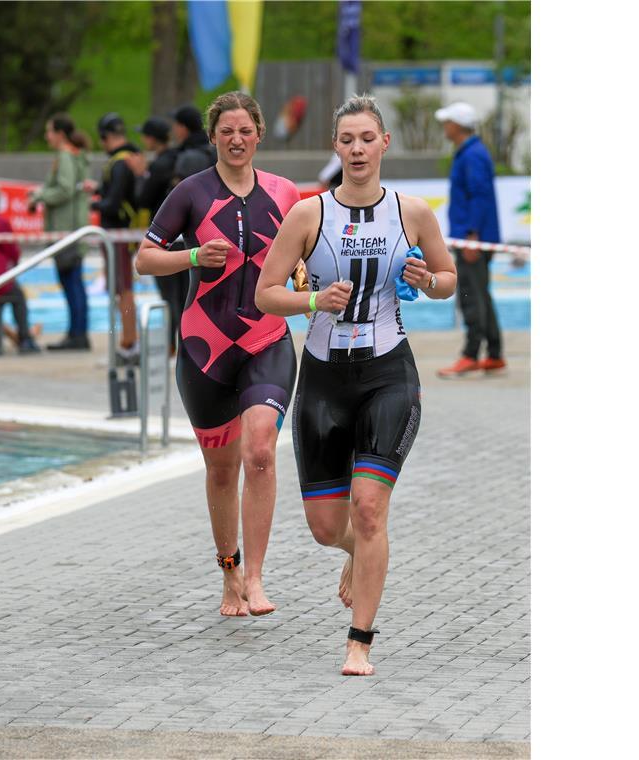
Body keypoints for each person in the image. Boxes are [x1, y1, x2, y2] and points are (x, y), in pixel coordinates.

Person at [255, 94, 457, 676]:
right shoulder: (308, 214)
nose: (357, 149)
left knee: (369, 510)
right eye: (347, 140)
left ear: (384, 143)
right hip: (323, 376)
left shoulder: (412, 212)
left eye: (367, 138)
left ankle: (359, 641)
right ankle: (357, 554)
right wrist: (313, 299)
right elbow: (268, 294)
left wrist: (429, 279)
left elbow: (447, 278)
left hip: (388, 372)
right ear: (335, 146)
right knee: (327, 528)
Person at [134, 92, 302, 618]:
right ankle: (229, 571)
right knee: (223, 469)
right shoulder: (190, 192)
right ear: (212, 137)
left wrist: (305, 277)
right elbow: (144, 259)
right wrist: (189, 256)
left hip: (266, 341)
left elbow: (304, 256)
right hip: (203, 350)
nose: (235, 139)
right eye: (225, 131)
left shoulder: (285, 192)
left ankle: (255, 578)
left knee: (261, 451)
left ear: (258, 134)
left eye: (245, 130)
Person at [434, 102, 506, 376]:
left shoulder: (472, 155)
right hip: (473, 236)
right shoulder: (471, 152)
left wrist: (472, 236)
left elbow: (480, 197)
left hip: (472, 239)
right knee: (481, 295)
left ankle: (471, 354)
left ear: (457, 125)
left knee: (472, 297)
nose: (445, 127)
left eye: (447, 122)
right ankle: (495, 354)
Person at [28, 114, 92, 351]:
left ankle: (76, 335)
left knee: (72, 284)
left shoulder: (65, 156)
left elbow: (64, 190)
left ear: (60, 134)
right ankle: (78, 333)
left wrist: (39, 196)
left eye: (49, 132)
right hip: (74, 229)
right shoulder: (76, 155)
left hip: (66, 231)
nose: (47, 137)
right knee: (75, 283)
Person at [125, 116, 188, 355]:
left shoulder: (161, 165)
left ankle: (173, 346)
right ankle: (183, 344)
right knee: (184, 295)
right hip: (184, 237)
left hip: (166, 238)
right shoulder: (177, 158)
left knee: (169, 295)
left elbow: (143, 199)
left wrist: (141, 175)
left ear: (151, 138)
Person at [92, 113, 142, 360]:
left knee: (124, 289)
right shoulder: (123, 160)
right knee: (122, 288)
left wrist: (94, 205)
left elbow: (113, 203)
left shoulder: (120, 163)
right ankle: (128, 340)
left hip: (118, 235)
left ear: (104, 136)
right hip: (119, 234)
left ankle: (129, 342)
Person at [0, 188, 41, 356]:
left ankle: (3, 335)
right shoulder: (0, 223)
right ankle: (25, 338)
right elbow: (13, 252)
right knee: (17, 295)